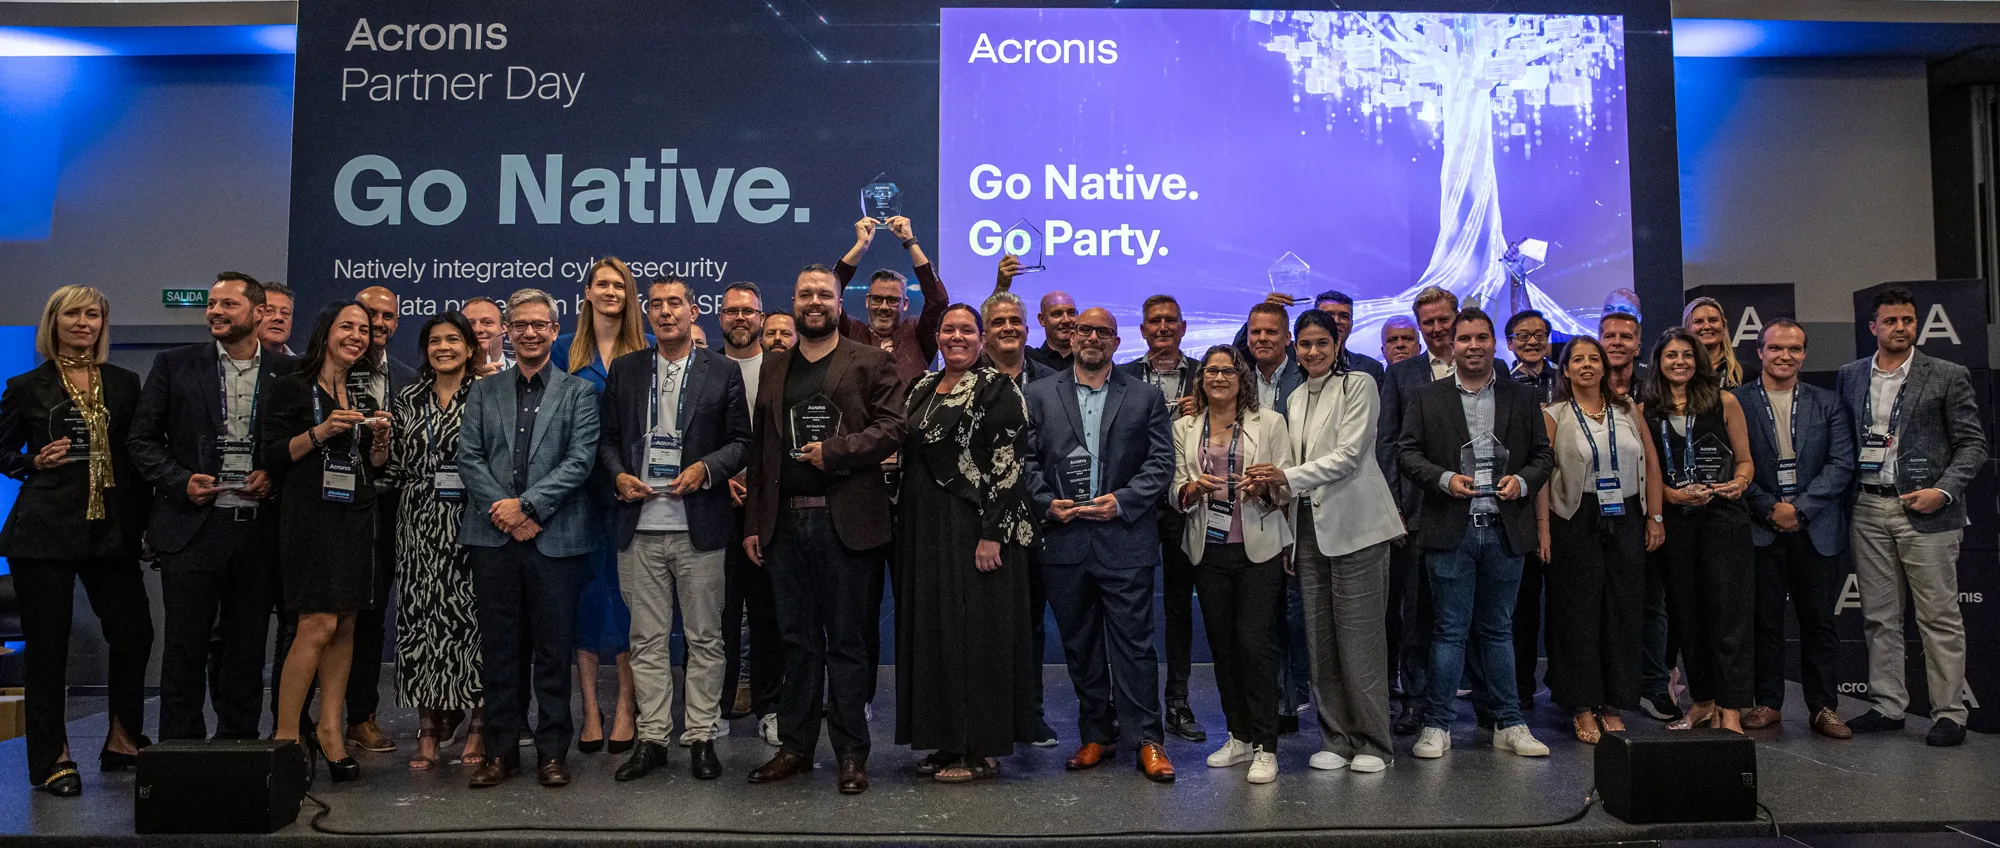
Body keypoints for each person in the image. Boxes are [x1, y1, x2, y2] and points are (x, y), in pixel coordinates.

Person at [743, 264, 905, 795]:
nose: (813, 302)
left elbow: (893, 428)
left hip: (848, 523)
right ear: (793, 302)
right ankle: (795, 747)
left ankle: (852, 754)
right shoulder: (774, 366)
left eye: (823, 294)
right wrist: (755, 522)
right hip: (784, 523)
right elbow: (762, 450)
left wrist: (834, 452)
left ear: (840, 303)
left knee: (849, 643)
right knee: (795, 641)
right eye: (804, 294)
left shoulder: (870, 361)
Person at [1, 286, 152, 796]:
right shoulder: (27, 386)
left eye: (93, 314)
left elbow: (137, 455)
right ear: (54, 321)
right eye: (73, 314)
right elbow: (2, 451)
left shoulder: (125, 383)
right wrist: (31, 461)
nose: (83, 322)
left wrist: (147, 526)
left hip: (112, 529)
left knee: (134, 632)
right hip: (43, 530)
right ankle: (53, 758)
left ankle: (123, 740)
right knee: (48, 646)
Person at [600, 277, 752, 782]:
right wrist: (617, 475)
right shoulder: (626, 370)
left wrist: (706, 469)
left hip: (699, 524)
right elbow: (606, 441)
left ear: (693, 311)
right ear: (647, 314)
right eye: (656, 305)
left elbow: (741, 441)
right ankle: (652, 740)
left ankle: (702, 736)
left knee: (705, 638)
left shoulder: (722, 371)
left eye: (674, 304)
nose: (665, 312)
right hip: (639, 525)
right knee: (646, 640)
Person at [128, 272, 289, 743]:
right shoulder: (174, 364)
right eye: (212, 304)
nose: (216, 311)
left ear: (259, 312)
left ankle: (238, 747)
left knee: (246, 649)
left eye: (228, 304)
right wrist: (180, 481)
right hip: (192, 528)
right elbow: (141, 440)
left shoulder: (287, 372)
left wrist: (272, 474)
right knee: (184, 649)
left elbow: (296, 445)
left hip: (257, 530)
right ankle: (180, 752)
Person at [1022, 307, 1178, 784]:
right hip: (1064, 539)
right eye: (1083, 330)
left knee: (1135, 645)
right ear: (1071, 338)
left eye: (1102, 332)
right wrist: (1046, 504)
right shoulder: (1038, 394)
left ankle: (1147, 739)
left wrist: (1123, 501)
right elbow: (1024, 460)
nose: (1092, 337)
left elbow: (1161, 463)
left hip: (1124, 539)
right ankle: (1096, 733)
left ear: (1116, 341)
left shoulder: (1145, 395)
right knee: (1080, 645)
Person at [1396, 306, 1554, 760]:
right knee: (1448, 631)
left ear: (1494, 343)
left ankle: (1510, 723)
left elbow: (1543, 456)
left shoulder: (1521, 397)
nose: (1473, 346)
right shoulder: (1428, 397)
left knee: (1499, 630)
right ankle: (1437, 725)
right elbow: (1407, 454)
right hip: (1451, 528)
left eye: (1481, 337)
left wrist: (1522, 481)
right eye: (1464, 338)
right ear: (1452, 345)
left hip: (1505, 529)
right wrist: (1444, 479)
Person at [458, 288, 602, 788]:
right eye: (519, 325)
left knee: (553, 653)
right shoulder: (483, 391)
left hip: (554, 538)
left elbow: (580, 461)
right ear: (507, 331)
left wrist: (528, 506)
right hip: (493, 538)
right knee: (500, 652)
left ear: (555, 329)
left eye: (540, 324)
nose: (530, 333)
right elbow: (469, 458)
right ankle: (501, 754)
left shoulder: (578, 392)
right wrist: (506, 512)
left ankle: (552, 754)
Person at [1250, 308, 1403, 774]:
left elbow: (1349, 456)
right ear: (1294, 348)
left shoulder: (1360, 384)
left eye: (1322, 343)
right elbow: (1291, 468)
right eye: (1305, 344)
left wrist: (1285, 477)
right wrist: (1272, 493)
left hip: (1359, 527)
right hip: (1309, 530)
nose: (1313, 351)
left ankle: (1374, 742)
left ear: (1337, 345)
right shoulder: (1295, 397)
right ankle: (1336, 738)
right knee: (1320, 640)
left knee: (1361, 641)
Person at [1837, 288, 1988, 747]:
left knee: (1939, 616)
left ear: (1916, 324)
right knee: (1879, 617)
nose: (1900, 328)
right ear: (1873, 328)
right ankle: (1887, 705)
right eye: (1890, 321)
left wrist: (1942, 491)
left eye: (1907, 320)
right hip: (1868, 506)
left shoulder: (1947, 374)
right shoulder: (1850, 375)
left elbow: (1973, 445)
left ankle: (1949, 713)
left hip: (1927, 510)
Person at [894, 303, 1038, 784]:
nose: (956, 337)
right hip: (924, 527)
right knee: (935, 632)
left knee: (977, 635)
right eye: (948, 329)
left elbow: (1008, 467)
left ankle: (981, 748)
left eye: (966, 330)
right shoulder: (920, 386)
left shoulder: (998, 387)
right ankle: (946, 739)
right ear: (936, 337)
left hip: (975, 526)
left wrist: (991, 535)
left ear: (982, 339)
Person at [263, 301, 393, 782]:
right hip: (310, 516)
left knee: (345, 626)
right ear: (326, 331)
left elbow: (372, 465)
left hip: (355, 514)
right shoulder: (292, 384)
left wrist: (380, 444)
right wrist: (319, 431)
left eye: (364, 329)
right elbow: (271, 455)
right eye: (347, 326)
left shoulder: (361, 388)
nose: (357, 335)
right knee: (315, 624)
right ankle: (286, 737)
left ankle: (331, 731)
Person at [1534, 335, 1665, 744]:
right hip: (1574, 519)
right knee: (1578, 614)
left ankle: (1613, 703)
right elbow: (1542, 475)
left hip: (1626, 516)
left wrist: (1655, 516)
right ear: (1566, 369)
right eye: (1578, 360)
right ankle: (1581, 704)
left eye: (1594, 358)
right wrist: (1543, 527)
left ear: (1605, 367)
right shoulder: (1553, 414)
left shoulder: (1628, 410)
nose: (1587, 365)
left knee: (1623, 611)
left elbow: (1652, 465)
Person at [1171, 345, 1292, 783]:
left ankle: (1266, 746)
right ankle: (1239, 736)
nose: (1219, 377)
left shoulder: (1270, 422)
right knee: (1222, 646)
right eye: (1211, 371)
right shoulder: (1185, 426)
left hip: (1258, 546)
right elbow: (1175, 487)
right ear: (1201, 378)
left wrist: (1263, 487)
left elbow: (1286, 484)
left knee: (1253, 645)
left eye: (1228, 370)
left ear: (1242, 378)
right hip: (1208, 548)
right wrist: (1191, 490)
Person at [1736, 320, 1854, 739]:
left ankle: (1823, 707)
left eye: (1794, 349)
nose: (1784, 356)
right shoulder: (1736, 401)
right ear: (1760, 352)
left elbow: (1841, 463)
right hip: (1760, 526)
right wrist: (1769, 507)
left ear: (1804, 354)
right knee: (1764, 621)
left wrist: (1799, 510)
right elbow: (1732, 463)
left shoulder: (1829, 403)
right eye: (1775, 348)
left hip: (1815, 528)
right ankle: (1768, 702)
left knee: (1819, 622)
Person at [552, 258, 649, 755]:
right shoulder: (563, 351)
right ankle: (590, 708)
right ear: (586, 292)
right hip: (577, 498)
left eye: (619, 285)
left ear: (630, 296)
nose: (610, 291)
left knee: (632, 603)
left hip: (633, 496)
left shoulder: (647, 352)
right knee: (587, 602)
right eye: (602, 284)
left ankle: (627, 706)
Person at [386, 312, 487, 770]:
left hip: (474, 518)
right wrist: (378, 449)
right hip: (418, 523)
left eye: (453, 339)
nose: (443, 347)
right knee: (420, 623)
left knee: (475, 623)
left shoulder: (487, 394)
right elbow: (391, 468)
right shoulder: (407, 399)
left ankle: (478, 726)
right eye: (434, 341)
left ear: (470, 347)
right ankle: (427, 728)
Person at [1643, 328, 1756, 734]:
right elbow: (1646, 473)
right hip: (1675, 524)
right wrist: (1671, 496)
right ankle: (1703, 701)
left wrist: (1739, 483)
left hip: (1723, 521)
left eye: (1687, 355)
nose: (1680, 362)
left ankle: (1731, 708)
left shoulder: (1724, 401)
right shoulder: (1645, 410)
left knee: (1729, 617)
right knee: (1686, 617)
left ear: (1699, 361)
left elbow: (1745, 461)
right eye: (1671, 355)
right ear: (1658, 362)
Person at [1115, 294, 1205, 744]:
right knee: (1127, 609)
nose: (1163, 327)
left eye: (1171, 320)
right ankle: (1130, 704)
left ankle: (1178, 701)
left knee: (1178, 606)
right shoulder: (1123, 376)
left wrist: (1202, 411)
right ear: (1143, 330)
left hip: (1184, 504)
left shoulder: (1206, 375)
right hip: (1135, 505)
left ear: (1183, 328)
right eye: (1155, 321)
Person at [980, 287, 1060, 748]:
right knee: (986, 621)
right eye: (998, 322)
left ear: (1029, 331)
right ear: (984, 333)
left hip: (1040, 518)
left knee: (1031, 622)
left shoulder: (1053, 381)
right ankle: (986, 716)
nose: (1008, 328)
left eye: (1015, 321)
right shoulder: (965, 379)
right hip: (983, 522)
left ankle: (1030, 713)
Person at [1378, 285, 1459, 737]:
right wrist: (1394, 507)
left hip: (1476, 506)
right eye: (1428, 322)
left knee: (1472, 611)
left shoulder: (1489, 366)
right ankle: (1415, 699)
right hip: (1416, 510)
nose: (1437, 328)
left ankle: (1485, 701)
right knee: (1414, 612)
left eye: (1443, 319)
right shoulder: (1401, 375)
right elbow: (1387, 446)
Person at [342, 285, 418, 755]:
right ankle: (297, 724)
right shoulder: (325, 372)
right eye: (370, 313)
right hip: (328, 509)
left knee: (371, 616)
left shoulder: (408, 379)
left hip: (385, 511)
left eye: (388, 316)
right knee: (313, 620)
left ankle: (360, 716)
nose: (378, 323)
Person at [715, 282, 785, 746]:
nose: (740, 318)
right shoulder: (704, 368)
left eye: (749, 311)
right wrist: (718, 477)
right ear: (719, 317)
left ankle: (771, 706)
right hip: (714, 506)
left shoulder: (782, 368)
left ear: (761, 317)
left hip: (769, 509)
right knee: (716, 616)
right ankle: (714, 707)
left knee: (768, 614)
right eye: (732, 311)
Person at [1600, 307, 1673, 722]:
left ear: (1638, 344)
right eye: (1609, 335)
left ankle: (1654, 686)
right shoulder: (1580, 385)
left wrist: (1656, 516)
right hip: (1593, 512)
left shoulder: (1656, 389)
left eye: (1625, 336)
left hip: (1647, 509)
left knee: (1651, 603)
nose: (1616, 342)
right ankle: (1600, 691)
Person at [1505, 309, 1557, 715]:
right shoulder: (1502, 384)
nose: (1532, 342)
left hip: (1574, 501)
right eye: (1523, 335)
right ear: (1509, 343)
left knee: (1566, 607)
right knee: (1522, 608)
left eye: (1539, 334)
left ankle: (1566, 684)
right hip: (1523, 502)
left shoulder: (1568, 378)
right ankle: (1521, 686)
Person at [836, 216, 950, 384]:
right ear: (867, 301)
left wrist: (910, 242)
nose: (884, 307)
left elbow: (938, 301)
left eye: (892, 300)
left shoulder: (916, 334)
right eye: (877, 299)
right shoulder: (851, 332)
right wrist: (861, 246)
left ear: (905, 304)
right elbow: (829, 295)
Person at [1683, 297, 1750, 389]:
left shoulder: (1746, 374)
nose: (1706, 326)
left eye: (1713, 320)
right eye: (1698, 321)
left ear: (1724, 327)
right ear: (1687, 330)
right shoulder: (1679, 373)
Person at [461, 296, 512, 376]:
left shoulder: (522, 370)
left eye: (487, 322)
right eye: (470, 323)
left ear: (503, 328)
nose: (477, 329)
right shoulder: (449, 373)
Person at [259, 280, 296, 356]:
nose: (279, 318)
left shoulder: (300, 363)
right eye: (269, 310)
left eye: (285, 313)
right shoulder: (235, 359)